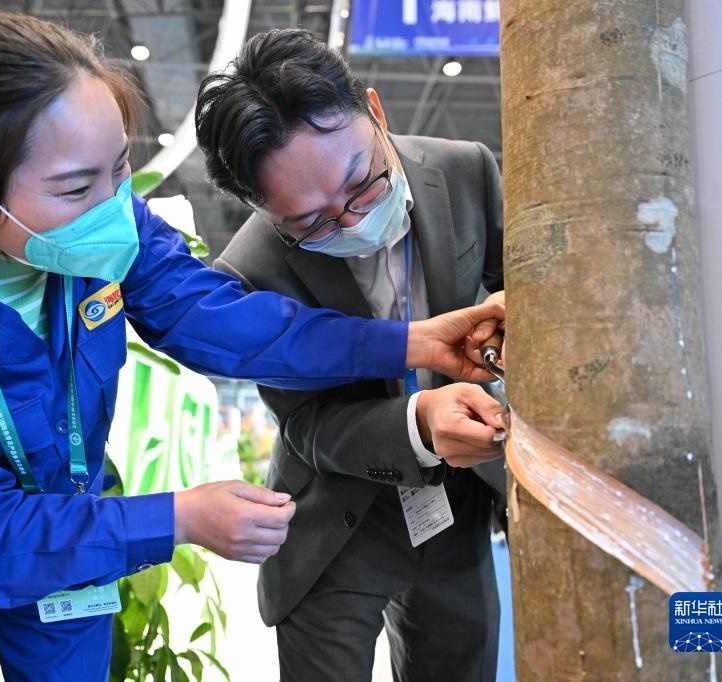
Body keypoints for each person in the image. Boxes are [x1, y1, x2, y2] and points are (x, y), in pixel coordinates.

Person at [0, 13, 503, 682]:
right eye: (75, 187)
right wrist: (178, 518)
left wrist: (411, 342)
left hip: (69, 522)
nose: (113, 210)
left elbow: (221, 320)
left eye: (119, 169)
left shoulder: (95, 231)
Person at [196, 28, 506, 682]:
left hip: (458, 506)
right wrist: (417, 424)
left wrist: (512, 329)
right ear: (261, 207)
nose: (354, 221)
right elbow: (304, 421)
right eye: (311, 223)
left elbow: (530, 294)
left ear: (375, 110)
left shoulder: (465, 171)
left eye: (363, 184)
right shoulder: (249, 272)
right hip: (335, 522)